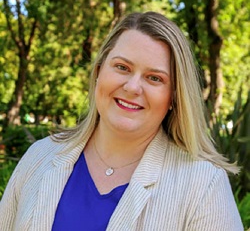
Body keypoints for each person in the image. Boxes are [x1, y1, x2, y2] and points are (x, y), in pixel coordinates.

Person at [0, 12, 243, 231]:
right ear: (97, 73)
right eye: (122, 67)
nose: (132, 87)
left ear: (174, 97)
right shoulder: (39, 157)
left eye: (154, 78)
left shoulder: (203, 185)